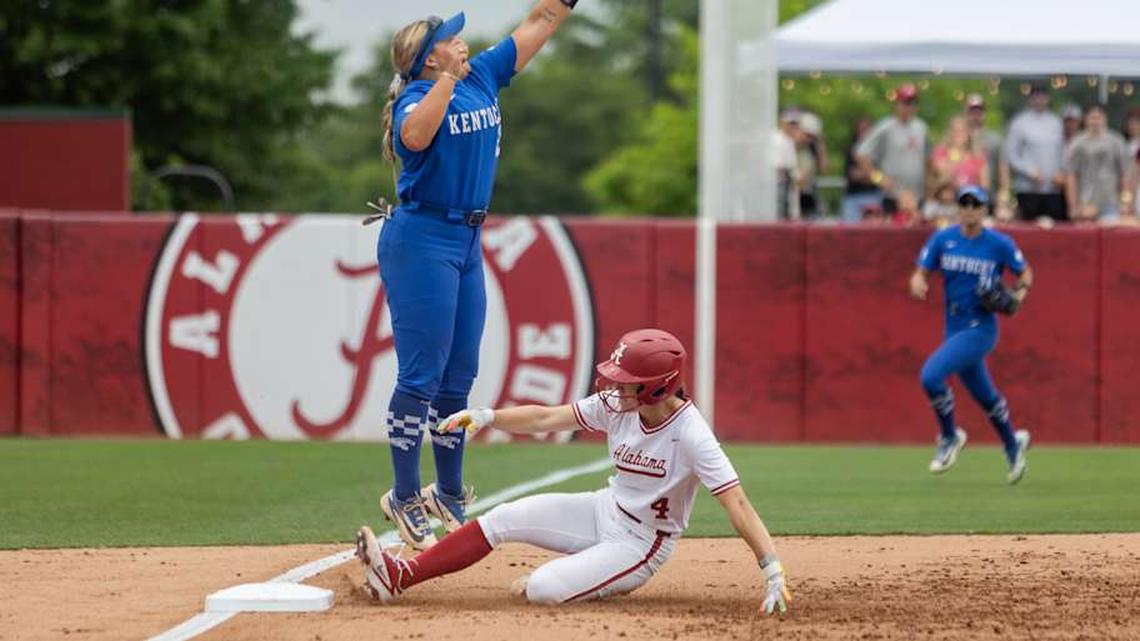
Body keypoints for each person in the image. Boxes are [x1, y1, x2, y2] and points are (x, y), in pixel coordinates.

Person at [354, 329, 791, 613]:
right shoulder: (616, 405)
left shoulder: (692, 434)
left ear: (658, 385)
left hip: (642, 544)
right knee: (503, 517)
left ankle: (592, 575)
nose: (615, 386)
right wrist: (487, 416)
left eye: (626, 380)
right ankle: (401, 576)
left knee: (542, 589)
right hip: (605, 510)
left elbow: (737, 503)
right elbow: (547, 418)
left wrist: (771, 567)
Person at [376, 1, 579, 551]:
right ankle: (403, 494)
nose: (462, 43)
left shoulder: (483, 74)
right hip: (422, 238)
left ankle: (447, 491)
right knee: (420, 376)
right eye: (449, 40)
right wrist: (442, 78)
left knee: (459, 374)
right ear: (426, 58)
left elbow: (536, 25)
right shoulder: (419, 96)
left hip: (465, 239)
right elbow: (415, 138)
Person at [908, 186, 1033, 484]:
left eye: (975, 203)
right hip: (953, 326)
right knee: (986, 397)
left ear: (985, 209)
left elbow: (1025, 273)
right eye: (964, 203)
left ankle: (950, 437)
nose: (969, 209)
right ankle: (1013, 446)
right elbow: (921, 271)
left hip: (981, 327)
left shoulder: (998, 243)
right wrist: (917, 282)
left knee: (930, 376)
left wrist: (1019, 294)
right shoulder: (944, 238)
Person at [856, 83, 929, 214]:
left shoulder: (921, 128)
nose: (908, 107)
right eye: (905, 102)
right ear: (897, 104)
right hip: (893, 195)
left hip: (917, 195)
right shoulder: (886, 127)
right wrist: (878, 178)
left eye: (912, 103)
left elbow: (926, 160)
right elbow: (861, 154)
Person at [1006, 85, 1066, 222]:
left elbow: (1063, 151)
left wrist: (1061, 172)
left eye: (1042, 96)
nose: (1039, 100)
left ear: (1048, 99)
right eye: (1035, 96)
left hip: (1052, 188)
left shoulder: (1056, 122)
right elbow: (1012, 156)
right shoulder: (1019, 123)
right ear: (1030, 99)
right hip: (1028, 189)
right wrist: (1029, 171)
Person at [1065, 104, 1135, 222]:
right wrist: (1073, 206)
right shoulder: (1077, 144)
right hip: (1085, 204)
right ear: (1085, 120)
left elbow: (1125, 175)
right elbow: (1072, 177)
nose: (1095, 121)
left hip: (1111, 203)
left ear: (1105, 118)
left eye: (1099, 117)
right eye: (1092, 118)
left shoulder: (1116, 141)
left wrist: (1125, 202)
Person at [964, 94, 1007, 206]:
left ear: (984, 113)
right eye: (972, 111)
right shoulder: (960, 138)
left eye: (979, 111)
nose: (976, 115)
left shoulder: (995, 139)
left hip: (988, 197)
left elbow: (1002, 167)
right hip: (963, 196)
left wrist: (1003, 192)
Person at [931, 116, 989, 190]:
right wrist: (956, 160)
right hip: (946, 198)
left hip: (971, 198)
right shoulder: (940, 152)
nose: (957, 134)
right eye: (954, 130)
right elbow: (938, 180)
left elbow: (985, 186)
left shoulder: (978, 155)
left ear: (968, 133)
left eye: (961, 130)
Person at [842, 117, 882, 223]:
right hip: (853, 196)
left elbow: (880, 178)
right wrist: (872, 175)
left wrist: (871, 175)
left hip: (873, 196)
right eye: (861, 129)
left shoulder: (878, 151)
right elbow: (851, 175)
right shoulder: (851, 149)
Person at [796, 111, 829, 218]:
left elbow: (824, 168)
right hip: (793, 196)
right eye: (807, 135)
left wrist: (820, 143)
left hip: (807, 196)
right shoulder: (787, 146)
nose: (808, 139)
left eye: (812, 137)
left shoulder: (811, 149)